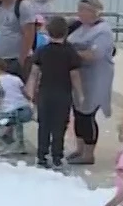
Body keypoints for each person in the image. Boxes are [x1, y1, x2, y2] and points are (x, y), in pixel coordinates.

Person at [65, 0, 117, 165]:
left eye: (84, 10)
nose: (80, 13)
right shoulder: (77, 26)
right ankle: (79, 148)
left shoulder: (103, 31)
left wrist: (71, 54)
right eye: (79, 9)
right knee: (78, 112)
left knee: (87, 114)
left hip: (95, 76)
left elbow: (94, 54)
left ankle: (89, 153)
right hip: (78, 75)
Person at [26, 15, 83, 169]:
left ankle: (42, 155)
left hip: (45, 92)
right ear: (65, 33)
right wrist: (80, 94)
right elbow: (75, 75)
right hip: (63, 93)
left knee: (44, 124)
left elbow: (34, 73)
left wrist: (31, 92)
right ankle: (57, 155)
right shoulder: (70, 52)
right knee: (60, 125)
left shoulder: (42, 50)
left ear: (48, 32)